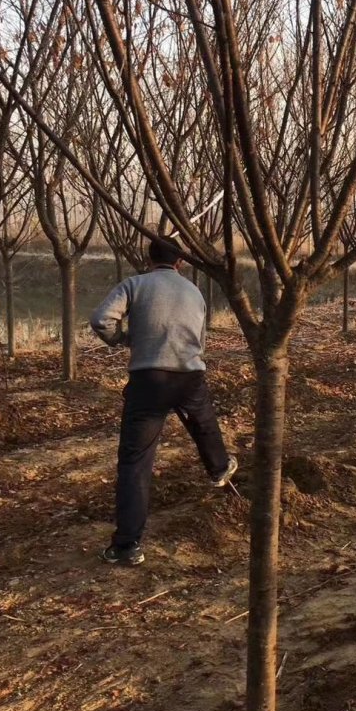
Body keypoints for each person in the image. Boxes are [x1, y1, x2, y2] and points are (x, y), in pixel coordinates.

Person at [90, 236, 237, 566]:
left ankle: (127, 545)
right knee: (203, 421)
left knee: (135, 462)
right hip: (188, 375)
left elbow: (101, 319)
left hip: (148, 379)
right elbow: (200, 339)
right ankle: (219, 468)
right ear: (181, 262)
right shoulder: (194, 292)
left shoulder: (134, 284)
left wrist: (124, 340)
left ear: (148, 257)